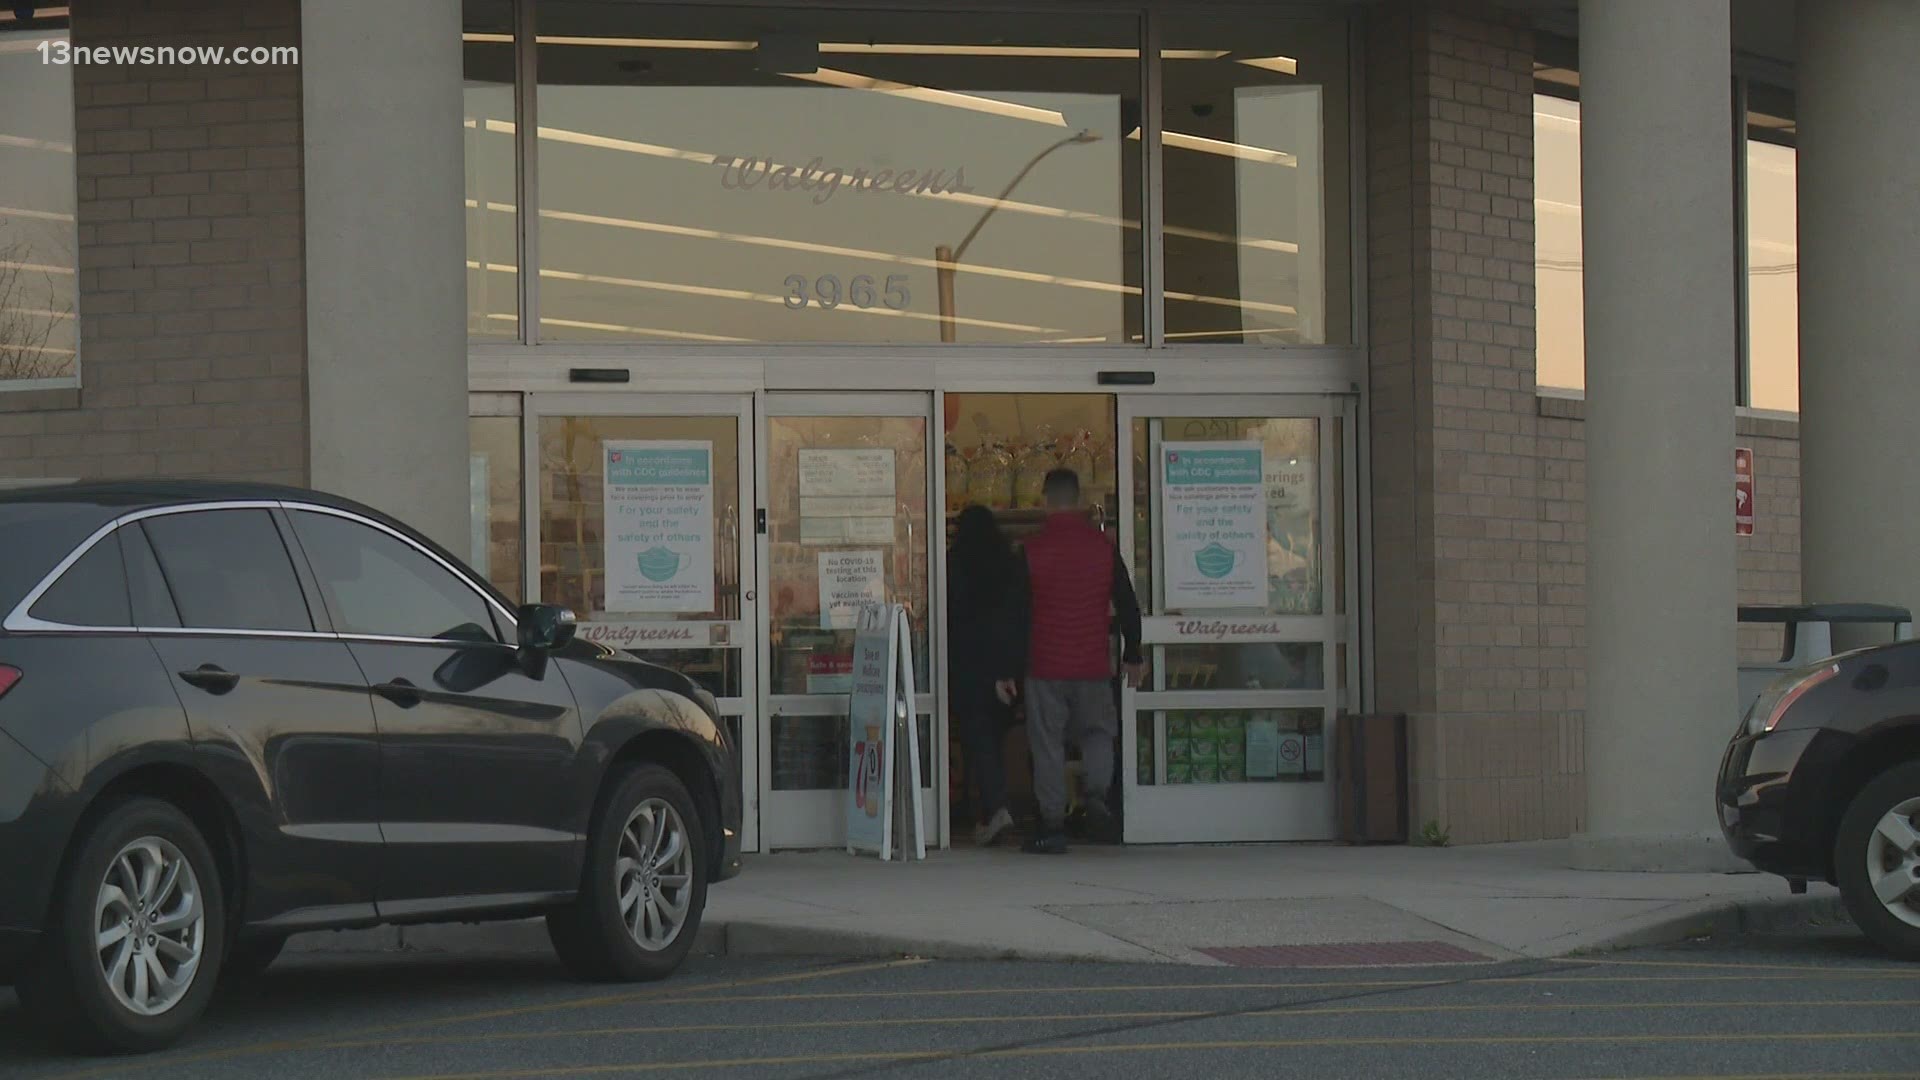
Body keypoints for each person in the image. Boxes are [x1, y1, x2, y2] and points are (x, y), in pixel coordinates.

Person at [996, 469, 1143, 854]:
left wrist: (1006, 670)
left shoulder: (1031, 551)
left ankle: (1052, 825)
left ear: (1045, 499)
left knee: (1047, 746)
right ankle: (1096, 799)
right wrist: (1133, 654)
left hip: (1045, 665)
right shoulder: (1103, 548)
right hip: (1093, 665)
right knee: (1098, 735)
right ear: (1077, 499)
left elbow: (1014, 616)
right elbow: (1128, 604)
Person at [946, 505, 1018, 846]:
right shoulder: (1009, 563)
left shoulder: (954, 565)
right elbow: (1019, 613)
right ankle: (989, 809)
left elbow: (950, 613)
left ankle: (994, 808)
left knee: (978, 739)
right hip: (1004, 666)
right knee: (994, 739)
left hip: (968, 665)